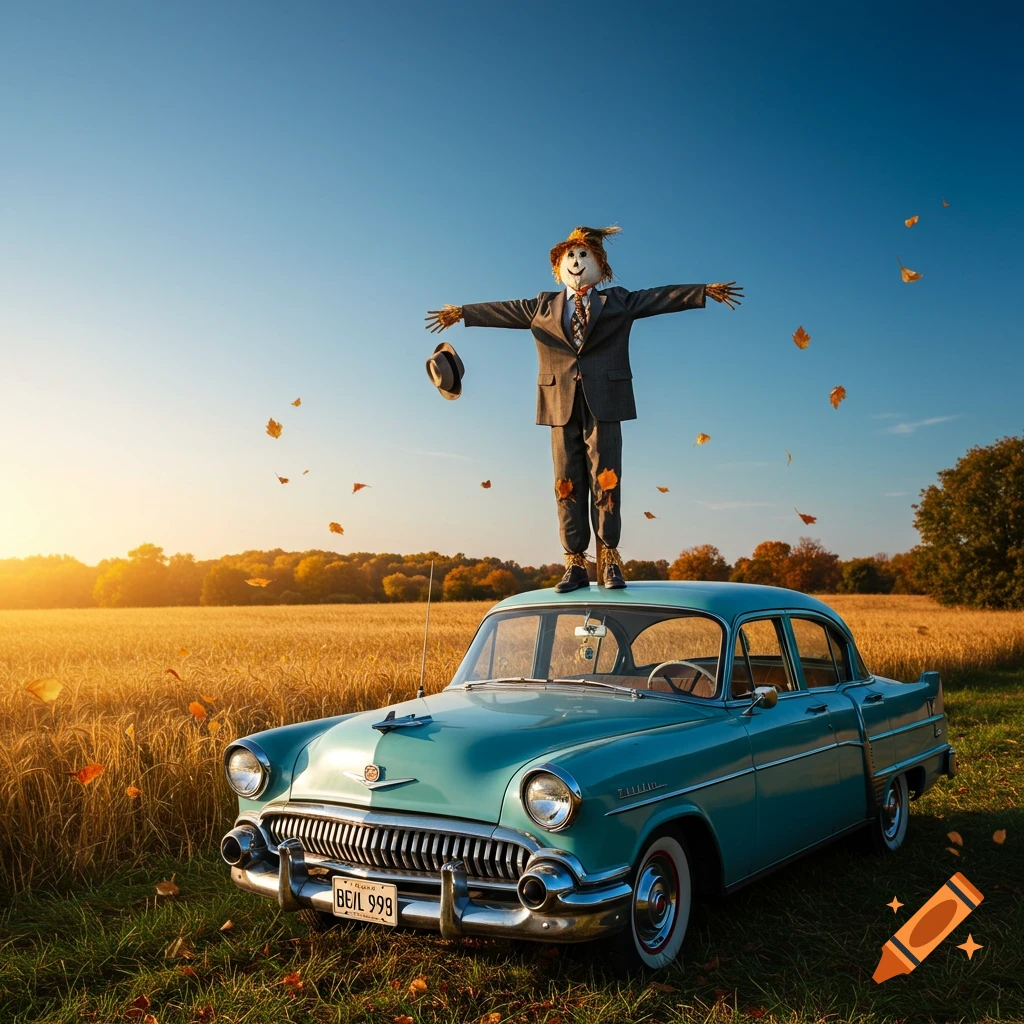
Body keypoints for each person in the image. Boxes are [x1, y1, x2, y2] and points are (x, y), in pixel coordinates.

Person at [426, 225, 742, 593]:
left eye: (583, 256)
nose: (576, 263)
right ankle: (575, 564)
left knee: (607, 477)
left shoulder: (618, 302)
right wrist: (463, 313)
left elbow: (657, 298)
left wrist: (701, 292)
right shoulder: (542, 306)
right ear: (558, 266)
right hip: (558, 402)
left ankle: (608, 559)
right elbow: (504, 310)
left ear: (600, 267)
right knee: (566, 481)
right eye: (569, 257)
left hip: (606, 399)